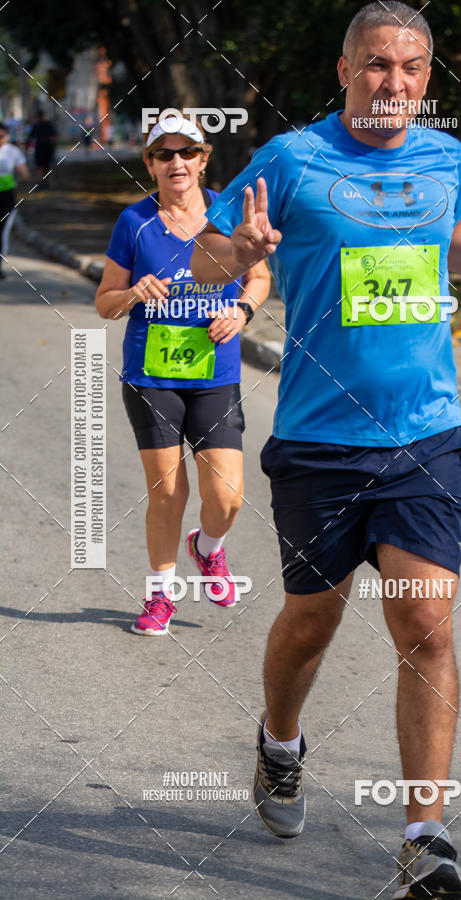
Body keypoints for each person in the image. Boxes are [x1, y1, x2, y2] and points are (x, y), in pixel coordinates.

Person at [192, 3, 461, 896]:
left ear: (426, 79)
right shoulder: (291, 160)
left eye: (408, 68)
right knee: (312, 621)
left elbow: (448, 246)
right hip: (321, 443)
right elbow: (210, 254)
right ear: (344, 70)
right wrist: (238, 249)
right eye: (374, 65)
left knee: (426, 625)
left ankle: (424, 838)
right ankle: (279, 743)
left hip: (424, 440)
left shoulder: (444, 157)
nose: (391, 83)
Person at [96, 113, 270, 635]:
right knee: (167, 492)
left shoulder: (225, 212)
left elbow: (258, 277)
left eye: (187, 152)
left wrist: (240, 312)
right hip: (151, 376)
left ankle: (208, 546)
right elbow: (104, 303)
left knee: (227, 495)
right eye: (164, 154)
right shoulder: (134, 223)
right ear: (149, 163)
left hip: (215, 372)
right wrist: (132, 294)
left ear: (203, 159)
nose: (177, 162)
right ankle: (159, 593)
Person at [0, 122, 29, 280]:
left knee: (3, 232)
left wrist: (15, 177)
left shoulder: (12, 151)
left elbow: (25, 174)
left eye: (2, 137)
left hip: (7, 197)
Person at [28, 111, 56, 184]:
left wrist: (30, 146)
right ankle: (43, 181)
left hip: (43, 147)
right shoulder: (45, 125)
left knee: (43, 166)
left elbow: (31, 137)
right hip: (43, 147)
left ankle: (43, 181)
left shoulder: (40, 125)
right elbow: (54, 135)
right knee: (42, 166)